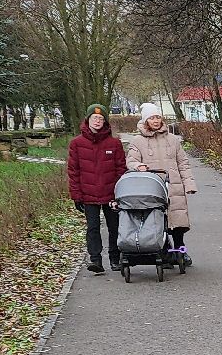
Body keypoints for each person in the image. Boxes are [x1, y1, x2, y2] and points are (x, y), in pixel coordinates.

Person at [126, 103, 197, 265]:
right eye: (151, 118)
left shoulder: (173, 140)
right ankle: (164, 252)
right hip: (151, 187)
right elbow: (131, 160)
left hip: (174, 187)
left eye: (158, 117)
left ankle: (181, 252)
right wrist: (138, 166)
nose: (156, 121)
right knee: (156, 222)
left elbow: (183, 163)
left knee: (178, 224)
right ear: (145, 121)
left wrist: (189, 184)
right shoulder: (137, 141)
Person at [65, 104, 127, 273]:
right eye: (94, 118)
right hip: (88, 194)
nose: (98, 121)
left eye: (101, 119)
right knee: (92, 228)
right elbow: (73, 171)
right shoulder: (77, 144)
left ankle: (115, 258)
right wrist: (76, 195)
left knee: (114, 227)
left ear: (105, 122)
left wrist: (120, 193)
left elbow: (121, 169)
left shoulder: (114, 143)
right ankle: (96, 260)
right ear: (88, 120)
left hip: (111, 194)